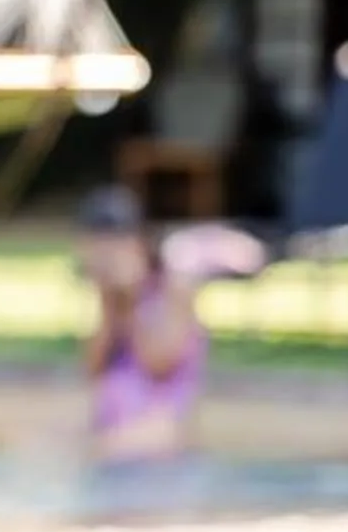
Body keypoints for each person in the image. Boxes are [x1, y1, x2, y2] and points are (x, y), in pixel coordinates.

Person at [75, 185, 266, 462]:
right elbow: (93, 369)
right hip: (113, 423)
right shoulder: (107, 293)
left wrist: (130, 303)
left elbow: (159, 363)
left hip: (161, 427)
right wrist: (109, 302)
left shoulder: (174, 288)